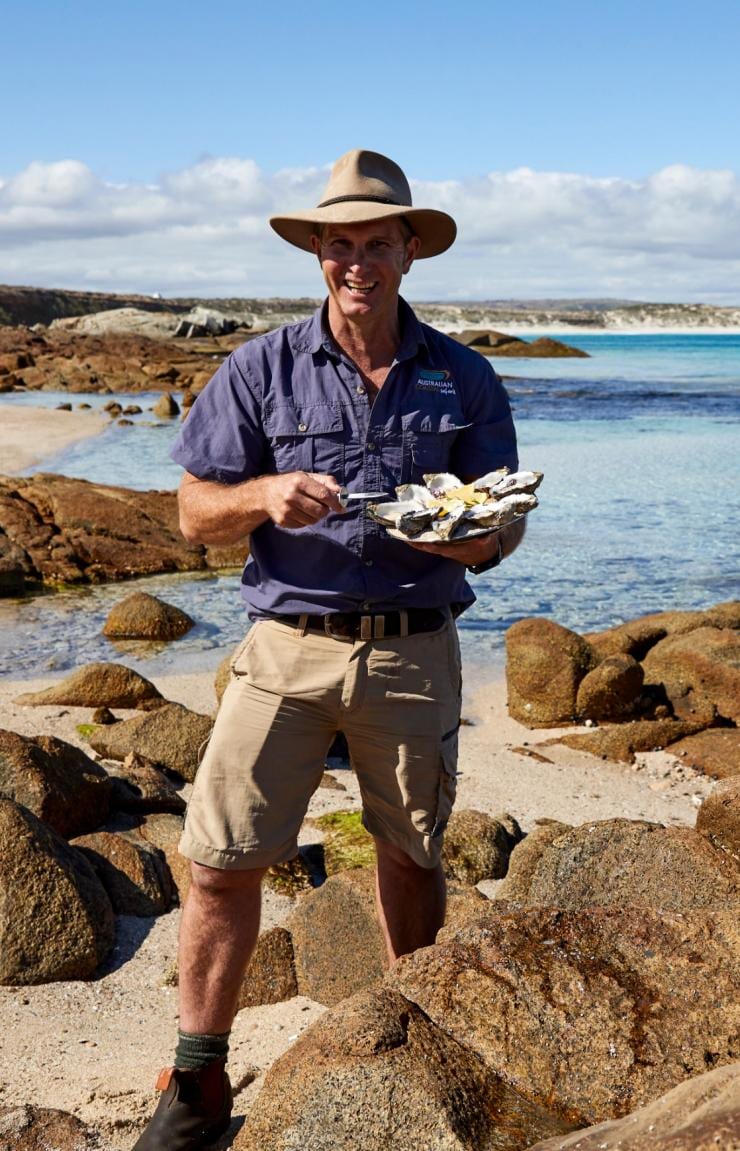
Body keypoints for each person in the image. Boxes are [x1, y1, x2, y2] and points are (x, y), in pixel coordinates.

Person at [133, 148, 524, 1150]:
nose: (357, 260)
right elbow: (192, 514)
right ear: (316, 254)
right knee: (218, 862)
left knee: (410, 852)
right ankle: (196, 1082)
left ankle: (411, 1041)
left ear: (406, 251)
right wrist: (263, 494)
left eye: (376, 243)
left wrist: (470, 532)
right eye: (338, 243)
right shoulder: (259, 367)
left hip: (413, 648)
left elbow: (496, 522)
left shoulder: (461, 375)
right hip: (284, 651)